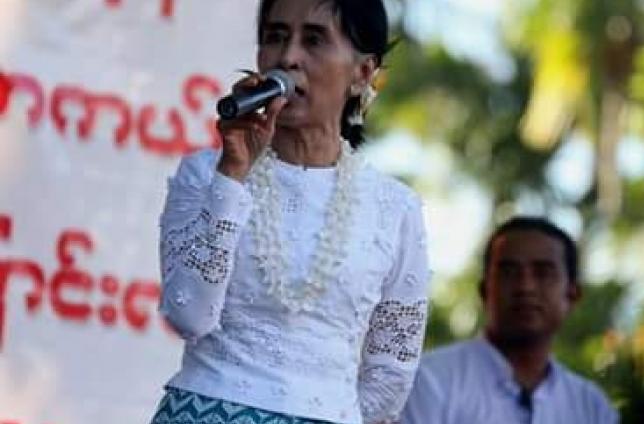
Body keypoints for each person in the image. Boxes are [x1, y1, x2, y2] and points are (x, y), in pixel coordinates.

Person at [149, 1, 431, 423]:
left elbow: (390, 378)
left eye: (313, 40)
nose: (288, 57)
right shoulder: (206, 173)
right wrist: (232, 174)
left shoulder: (395, 208)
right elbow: (188, 315)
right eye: (275, 37)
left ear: (363, 73)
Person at [401, 217, 617, 424]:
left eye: (543, 272)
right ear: (485, 291)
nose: (526, 287)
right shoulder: (429, 381)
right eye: (509, 272)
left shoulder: (591, 406)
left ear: (572, 295)